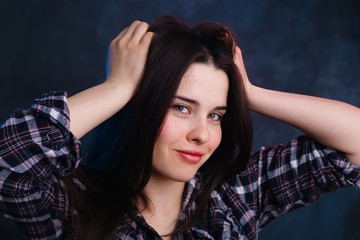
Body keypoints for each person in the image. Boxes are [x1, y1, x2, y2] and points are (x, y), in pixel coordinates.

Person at [0, 15, 359, 240]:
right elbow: (9, 165)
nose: (202, 135)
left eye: (216, 114)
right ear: (138, 106)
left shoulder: (234, 197)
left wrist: (248, 93)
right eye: (181, 108)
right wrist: (118, 88)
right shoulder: (71, 207)